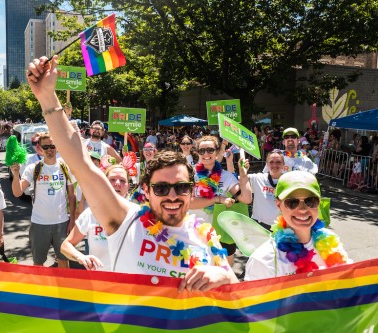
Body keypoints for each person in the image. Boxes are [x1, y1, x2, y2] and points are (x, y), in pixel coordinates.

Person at [26, 55, 238, 291]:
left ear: (191, 190)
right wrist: (47, 97)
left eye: (181, 187)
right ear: (146, 190)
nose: (172, 195)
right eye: (161, 188)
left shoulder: (207, 237)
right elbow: (82, 165)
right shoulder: (126, 220)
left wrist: (225, 277)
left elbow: (239, 297)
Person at [245, 171, 351, 280]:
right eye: (292, 202)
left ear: (318, 202)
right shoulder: (264, 260)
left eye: (310, 201)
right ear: (278, 204)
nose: (302, 209)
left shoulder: (331, 241)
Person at [11, 132, 76, 268]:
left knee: (64, 260)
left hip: (62, 223)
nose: (49, 150)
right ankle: (40, 289)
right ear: (40, 148)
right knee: (38, 262)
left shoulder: (66, 167)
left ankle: (64, 288)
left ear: (57, 147)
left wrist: (72, 220)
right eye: (45, 147)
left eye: (52, 146)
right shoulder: (33, 168)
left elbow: (71, 196)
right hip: (39, 223)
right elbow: (17, 192)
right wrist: (16, 174)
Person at [189, 136, 252, 266]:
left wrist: (243, 174)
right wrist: (218, 199)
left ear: (218, 151)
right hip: (192, 231)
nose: (206, 154)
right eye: (202, 151)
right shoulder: (190, 174)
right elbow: (188, 203)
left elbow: (246, 199)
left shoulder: (226, 176)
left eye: (210, 150)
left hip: (217, 235)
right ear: (197, 153)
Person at [61, 164, 130, 271]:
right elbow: (65, 246)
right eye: (112, 179)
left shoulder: (138, 215)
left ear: (128, 186)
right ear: (104, 184)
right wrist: (81, 257)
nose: (117, 184)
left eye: (122, 180)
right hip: (99, 282)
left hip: (128, 283)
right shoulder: (90, 214)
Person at [248, 150, 285, 230]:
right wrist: (241, 169)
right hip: (259, 226)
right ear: (267, 164)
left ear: (283, 164)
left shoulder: (288, 181)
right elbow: (235, 180)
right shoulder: (258, 178)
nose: (274, 165)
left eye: (278, 162)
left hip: (281, 227)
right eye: (271, 162)